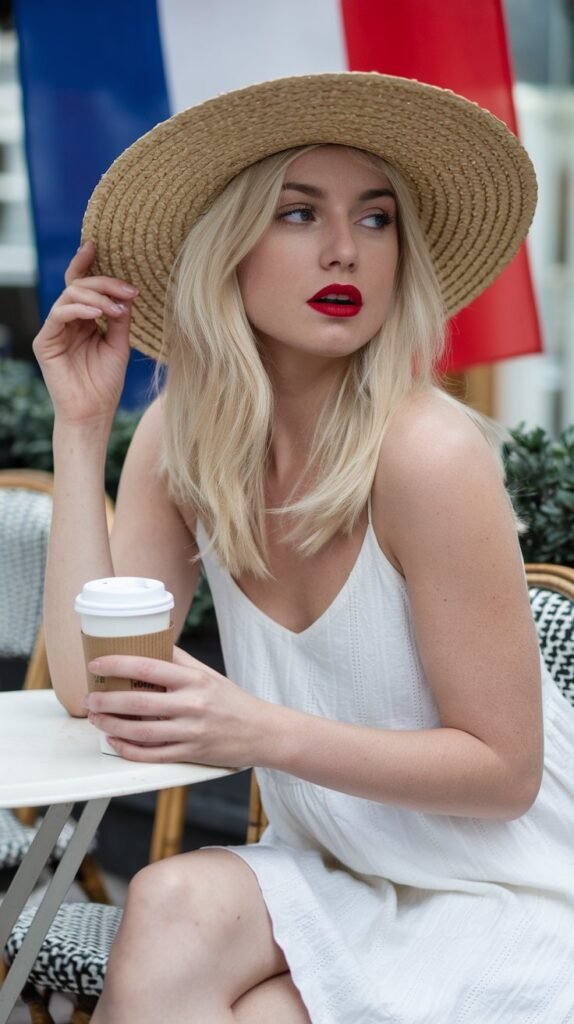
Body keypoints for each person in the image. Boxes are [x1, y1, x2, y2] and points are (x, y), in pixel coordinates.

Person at [33, 73, 574, 1023]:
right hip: (338, 866)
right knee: (169, 901)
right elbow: (91, 687)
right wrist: (80, 429)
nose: (344, 249)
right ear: (227, 247)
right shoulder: (183, 439)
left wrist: (255, 731)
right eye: (298, 213)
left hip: (512, 889)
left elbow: (504, 774)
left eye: (376, 219)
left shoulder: (428, 454)